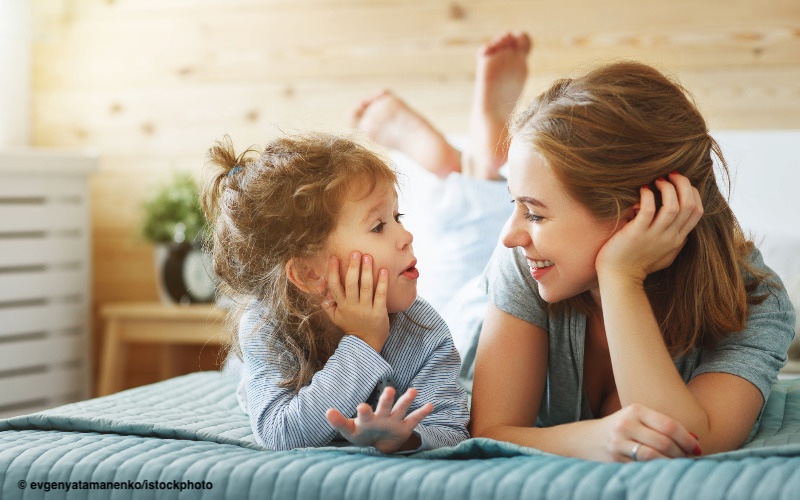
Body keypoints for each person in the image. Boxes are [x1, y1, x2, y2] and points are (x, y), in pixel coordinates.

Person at [468, 61, 796, 462]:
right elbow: (486, 432)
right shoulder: (524, 262)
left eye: (535, 214)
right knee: (465, 246)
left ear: (640, 213)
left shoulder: (757, 302)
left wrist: (621, 276)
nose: (511, 236)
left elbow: (689, 444)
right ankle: (479, 169)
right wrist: (591, 440)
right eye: (516, 205)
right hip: (469, 317)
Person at [202, 132, 469, 453]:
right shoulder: (266, 325)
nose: (407, 236)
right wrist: (363, 343)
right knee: (241, 374)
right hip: (259, 363)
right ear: (308, 273)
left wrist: (406, 437)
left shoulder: (424, 331)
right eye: (378, 226)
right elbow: (280, 434)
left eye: (398, 218)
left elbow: (451, 428)